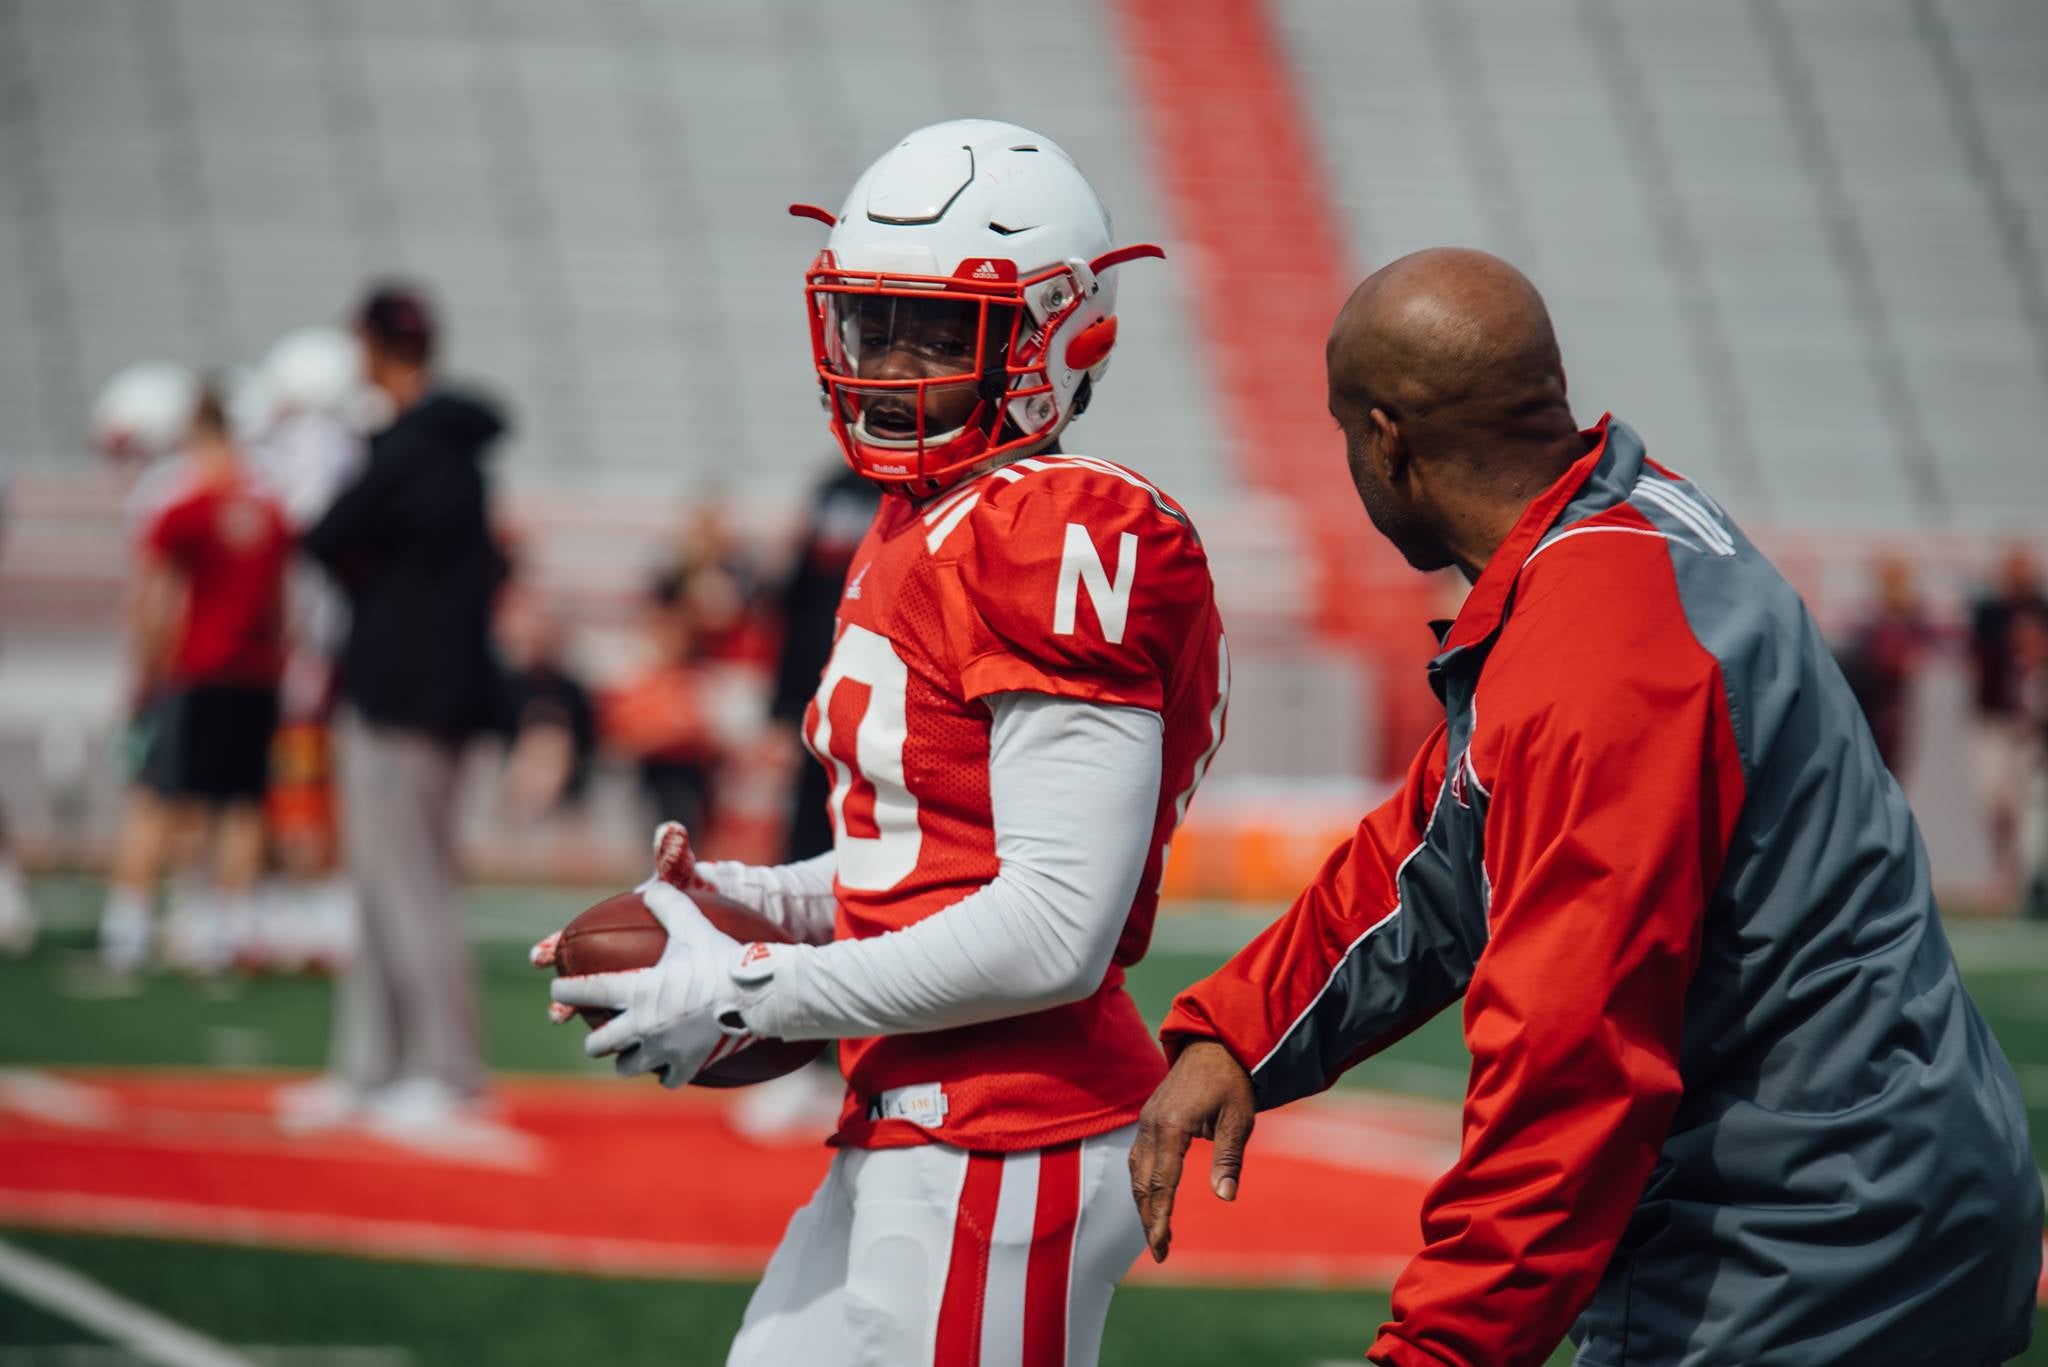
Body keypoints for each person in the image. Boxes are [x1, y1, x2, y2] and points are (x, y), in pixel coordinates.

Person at [1129, 249, 2039, 1367]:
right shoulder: (1614, 521)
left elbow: (1573, 1061)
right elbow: (1434, 845)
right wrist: (1239, 1031)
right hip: (1888, 1193)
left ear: (1385, 441)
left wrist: (1438, 1351)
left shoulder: (1594, 658)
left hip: (1805, 1246)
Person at [537, 120, 1229, 1365]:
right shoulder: (922, 519)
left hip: (1010, 1128)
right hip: (915, 1112)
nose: (888, 364)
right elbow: (919, 857)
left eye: (935, 332)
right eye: (873, 322)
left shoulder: (1062, 532)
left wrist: (754, 987)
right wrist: (758, 898)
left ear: (1056, 335)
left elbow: (1052, 929)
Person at [289, 284, 509, 1136]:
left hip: (397, 695)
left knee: (407, 887)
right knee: (387, 887)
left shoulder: (404, 449)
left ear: (374, 347)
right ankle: (372, 1069)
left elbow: (322, 535)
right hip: (443, 692)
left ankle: (447, 1073)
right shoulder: (458, 449)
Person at [100, 382, 291, 976]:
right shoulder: (268, 506)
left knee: (164, 796)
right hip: (255, 672)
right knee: (239, 802)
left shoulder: (182, 501)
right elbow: (280, 603)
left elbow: (155, 595)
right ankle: (222, 924)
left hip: (195, 668)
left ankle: (133, 923)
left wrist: (143, 666)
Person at [1969, 545, 2048, 903]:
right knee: (1994, 801)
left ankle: (2021, 882)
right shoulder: (1989, 614)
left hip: (2029, 731)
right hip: (1995, 723)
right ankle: (2001, 874)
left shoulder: (2040, 611)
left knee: (2027, 806)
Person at [1835, 554, 1935, 777]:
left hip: (1890, 706)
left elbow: (1916, 658)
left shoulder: (1911, 620)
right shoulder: (1870, 618)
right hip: (1869, 701)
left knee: (1890, 767)